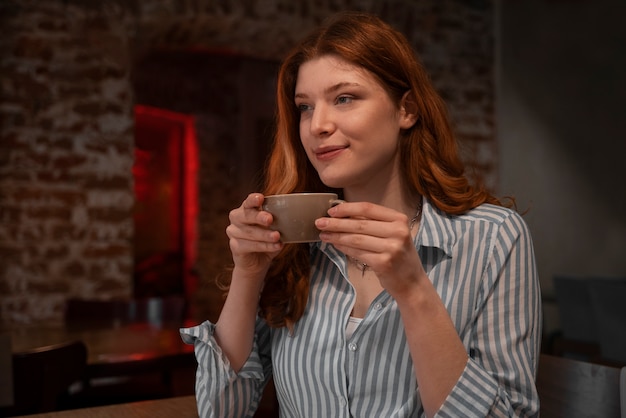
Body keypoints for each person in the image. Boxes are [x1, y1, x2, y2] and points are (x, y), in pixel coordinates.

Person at [181, 10, 541, 418]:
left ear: (407, 109)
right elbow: (222, 411)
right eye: (304, 106)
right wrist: (248, 274)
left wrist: (413, 290)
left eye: (344, 98)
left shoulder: (493, 238)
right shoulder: (297, 243)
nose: (317, 125)